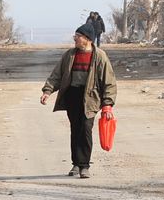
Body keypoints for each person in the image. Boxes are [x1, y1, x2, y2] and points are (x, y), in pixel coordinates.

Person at [41, 22, 117, 179]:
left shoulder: (100, 56)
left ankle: (84, 165)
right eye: (75, 36)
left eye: (78, 36)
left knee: (85, 129)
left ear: (87, 39)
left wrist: (107, 105)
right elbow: (57, 75)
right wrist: (47, 91)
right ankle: (76, 164)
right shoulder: (69, 55)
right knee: (75, 129)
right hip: (73, 96)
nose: (75, 38)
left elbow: (109, 82)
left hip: (90, 97)